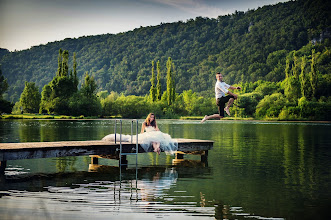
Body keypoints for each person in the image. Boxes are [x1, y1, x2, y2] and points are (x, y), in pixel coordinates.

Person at [102, 113, 178, 155]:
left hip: (154, 134)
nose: (152, 119)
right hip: (148, 134)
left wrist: (159, 133)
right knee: (153, 140)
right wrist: (141, 136)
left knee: (157, 140)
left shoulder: (154, 123)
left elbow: (158, 130)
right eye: (151, 117)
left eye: (153, 118)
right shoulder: (144, 123)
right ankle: (156, 148)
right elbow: (142, 132)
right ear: (148, 117)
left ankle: (156, 148)